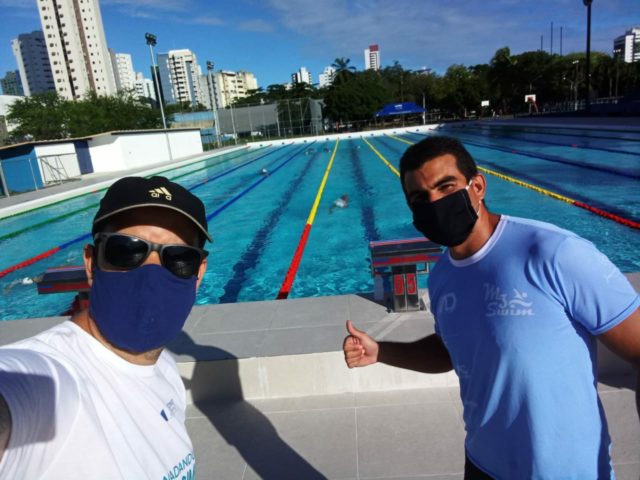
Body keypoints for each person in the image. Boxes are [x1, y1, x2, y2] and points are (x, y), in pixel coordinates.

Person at [343, 136, 640, 479]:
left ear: (478, 186)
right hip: (482, 465)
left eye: (446, 186)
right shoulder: (441, 277)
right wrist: (382, 351)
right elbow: (453, 349)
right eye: (420, 198)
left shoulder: (552, 252)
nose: (435, 203)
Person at [0, 176, 211, 479]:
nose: (151, 271)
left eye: (179, 257)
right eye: (126, 250)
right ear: (91, 263)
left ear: (198, 273)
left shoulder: (164, 368)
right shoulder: (51, 379)